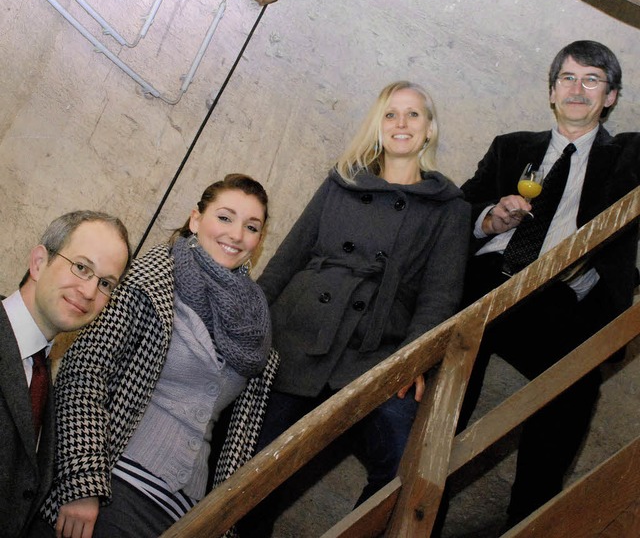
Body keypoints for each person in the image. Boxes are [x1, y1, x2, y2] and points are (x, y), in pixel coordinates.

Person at [243, 81, 470, 535]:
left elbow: (439, 295)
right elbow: (290, 254)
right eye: (391, 114)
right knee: (253, 467)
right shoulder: (342, 181)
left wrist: (413, 360)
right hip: (300, 331)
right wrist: (252, 319)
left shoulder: (450, 207)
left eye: (413, 115)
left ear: (430, 130)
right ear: (378, 126)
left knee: (404, 464)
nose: (401, 124)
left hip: (377, 351)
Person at [31, 174, 278, 538]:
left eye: (251, 226)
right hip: (112, 489)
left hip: (187, 515)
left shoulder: (254, 321)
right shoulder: (150, 280)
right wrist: (82, 483)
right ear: (196, 219)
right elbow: (83, 371)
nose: (237, 235)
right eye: (225, 217)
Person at [458, 40, 640, 528]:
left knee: (573, 392)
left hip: (562, 300)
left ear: (612, 97)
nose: (577, 89)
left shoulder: (629, 156)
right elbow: (456, 212)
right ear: (552, 91)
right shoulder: (511, 146)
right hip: (488, 285)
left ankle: (527, 520)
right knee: (445, 389)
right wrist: (489, 222)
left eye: (592, 80)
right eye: (567, 78)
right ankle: (412, 512)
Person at [1, 210, 131, 538]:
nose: (89, 292)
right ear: (39, 262)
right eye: (81, 267)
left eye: (105, 284)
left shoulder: (43, 377)